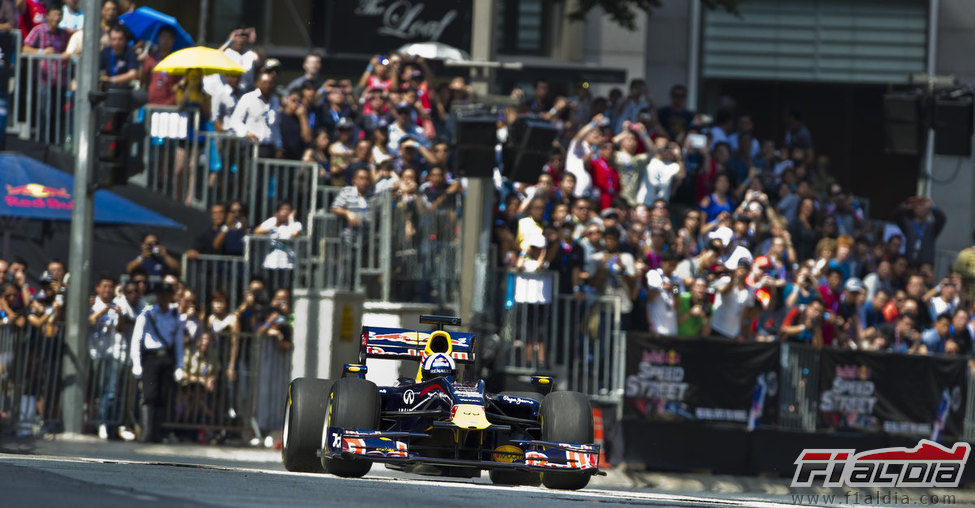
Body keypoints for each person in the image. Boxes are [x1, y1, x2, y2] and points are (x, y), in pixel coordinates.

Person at [130, 282, 184, 443]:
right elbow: (137, 338)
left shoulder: (175, 316)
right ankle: (147, 431)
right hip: (151, 357)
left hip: (166, 357)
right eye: (161, 294)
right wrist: (137, 363)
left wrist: (179, 365)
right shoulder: (148, 314)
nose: (163, 298)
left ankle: (156, 432)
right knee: (149, 395)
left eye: (167, 295)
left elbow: (179, 343)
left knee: (163, 396)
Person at [230, 71, 281, 158]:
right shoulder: (248, 98)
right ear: (257, 83)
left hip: (269, 147)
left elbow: (275, 127)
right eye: (264, 82)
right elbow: (235, 120)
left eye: (270, 83)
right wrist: (246, 132)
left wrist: (279, 146)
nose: (267, 85)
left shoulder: (275, 101)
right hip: (251, 146)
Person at [894, 196, 946, 267]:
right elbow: (896, 216)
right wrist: (907, 205)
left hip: (926, 264)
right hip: (909, 262)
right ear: (914, 209)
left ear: (928, 211)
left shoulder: (932, 227)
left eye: (923, 207)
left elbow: (942, 219)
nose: (920, 209)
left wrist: (933, 206)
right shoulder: (909, 225)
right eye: (918, 206)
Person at [253, 202, 303, 270]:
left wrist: (291, 219)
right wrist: (273, 227)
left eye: (287, 209)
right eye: (282, 209)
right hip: (271, 263)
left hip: (288, 264)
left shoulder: (296, 224)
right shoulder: (272, 221)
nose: (285, 212)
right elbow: (257, 231)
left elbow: (295, 234)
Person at [141, 26, 179, 106]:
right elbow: (143, 79)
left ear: (173, 41)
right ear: (158, 38)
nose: (165, 40)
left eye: (169, 38)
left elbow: (179, 82)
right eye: (163, 37)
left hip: (170, 104)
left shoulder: (177, 60)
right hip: (152, 102)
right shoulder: (151, 58)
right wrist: (143, 64)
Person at [98, 24, 137, 88]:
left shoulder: (130, 52)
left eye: (120, 39)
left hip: (124, 88)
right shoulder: (105, 52)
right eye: (114, 39)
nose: (117, 42)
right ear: (109, 39)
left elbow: (133, 74)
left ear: (125, 39)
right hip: (107, 89)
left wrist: (111, 79)